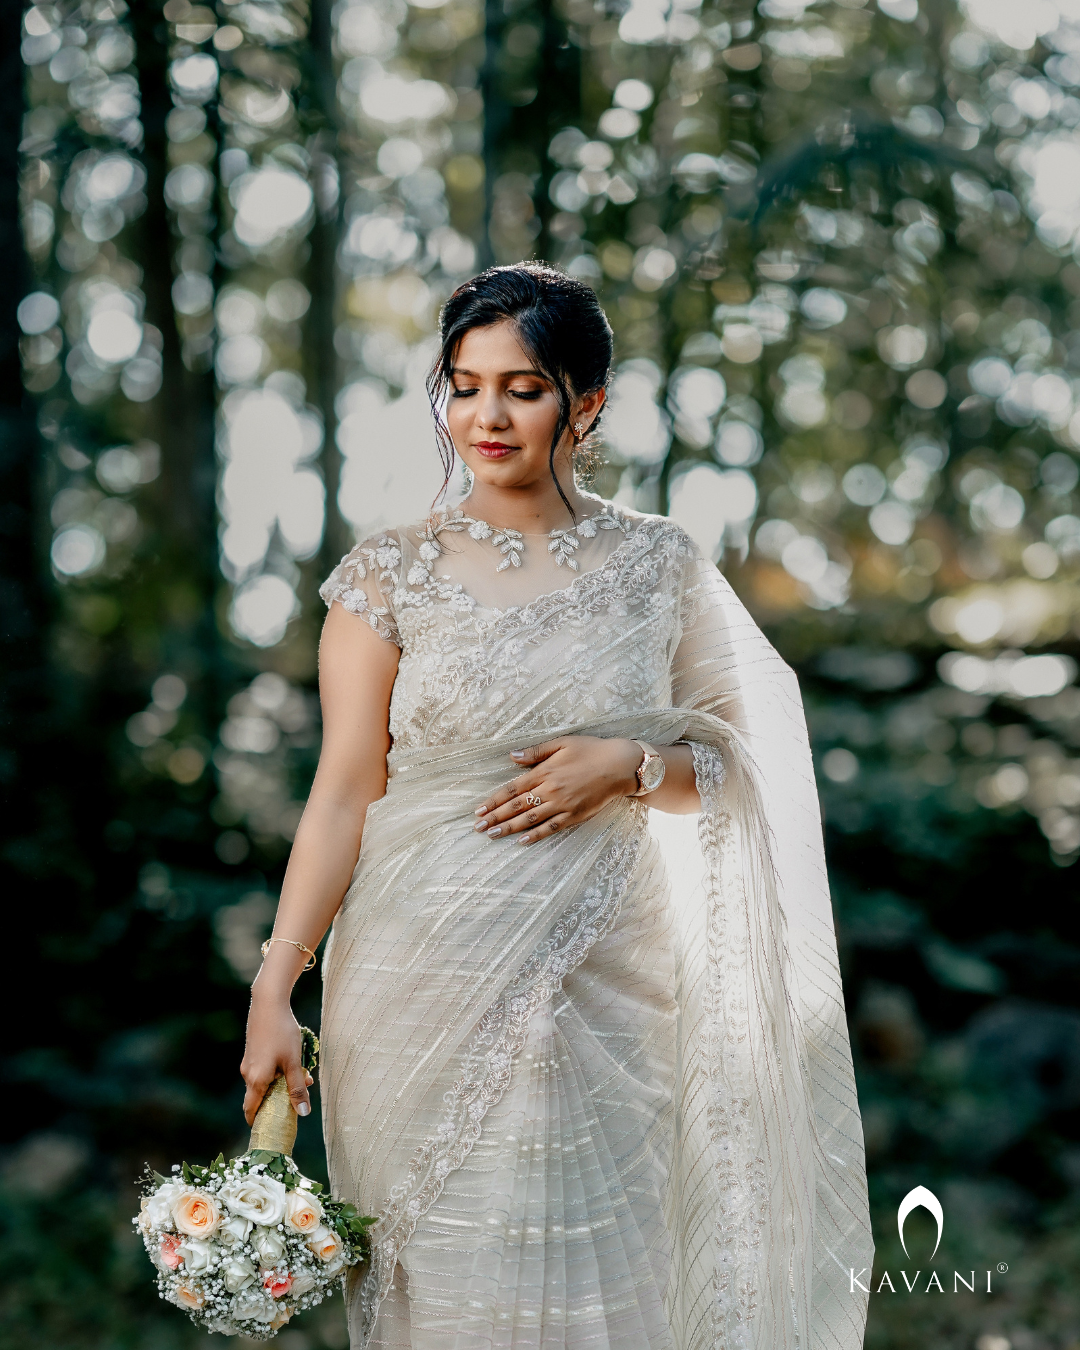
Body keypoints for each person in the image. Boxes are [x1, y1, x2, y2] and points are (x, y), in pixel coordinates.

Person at [241, 262, 873, 1349]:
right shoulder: (389, 574)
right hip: (412, 974)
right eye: (464, 383)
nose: (486, 414)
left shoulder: (658, 564)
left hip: (610, 978)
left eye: (522, 387)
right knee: (444, 1280)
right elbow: (346, 789)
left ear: (586, 403)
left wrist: (628, 764)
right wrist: (274, 983)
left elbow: (743, 764)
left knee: (617, 1285)